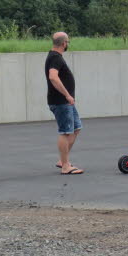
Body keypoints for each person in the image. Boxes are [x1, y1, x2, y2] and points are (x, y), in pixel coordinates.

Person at [45, 31, 83, 175]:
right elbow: (53, 77)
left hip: (65, 102)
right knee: (65, 131)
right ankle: (66, 166)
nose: (68, 44)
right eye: (68, 42)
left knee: (76, 127)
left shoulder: (54, 57)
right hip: (61, 101)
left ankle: (62, 160)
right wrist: (67, 95)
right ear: (64, 43)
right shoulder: (55, 58)